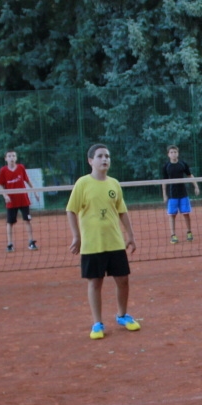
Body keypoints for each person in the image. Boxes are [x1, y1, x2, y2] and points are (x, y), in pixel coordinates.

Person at [67, 144, 140, 340]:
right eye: (100, 156)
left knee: (123, 280)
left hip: (115, 242)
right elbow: (71, 210)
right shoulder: (82, 183)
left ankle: (122, 315)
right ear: (91, 161)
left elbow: (122, 211)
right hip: (92, 244)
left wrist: (130, 235)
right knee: (95, 282)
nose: (104, 159)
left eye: (107, 156)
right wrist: (77, 236)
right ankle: (97, 323)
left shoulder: (114, 184)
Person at [0, 150, 38, 252]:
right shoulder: (3, 170)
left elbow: (27, 181)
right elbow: (0, 185)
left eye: (13, 156)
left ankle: (31, 242)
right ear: (6, 159)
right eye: (9, 156)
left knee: (27, 220)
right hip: (11, 201)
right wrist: (5, 195)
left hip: (23, 199)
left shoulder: (21, 167)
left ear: (16, 158)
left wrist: (35, 192)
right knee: (10, 223)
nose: (12, 158)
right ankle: (10, 244)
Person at [160, 145, 199, 243]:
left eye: (175, 152)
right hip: (172, 195)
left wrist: (196, 186)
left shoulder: (183, 164)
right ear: (168, 154)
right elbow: (164, 181)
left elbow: (190, 175)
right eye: (171, 152)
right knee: (172, 215)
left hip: (183, 194)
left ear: (178, 153)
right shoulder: (166, 166)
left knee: (186, 214)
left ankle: (189, 232)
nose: (173, 154)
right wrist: (164, 194)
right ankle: (173, 235)